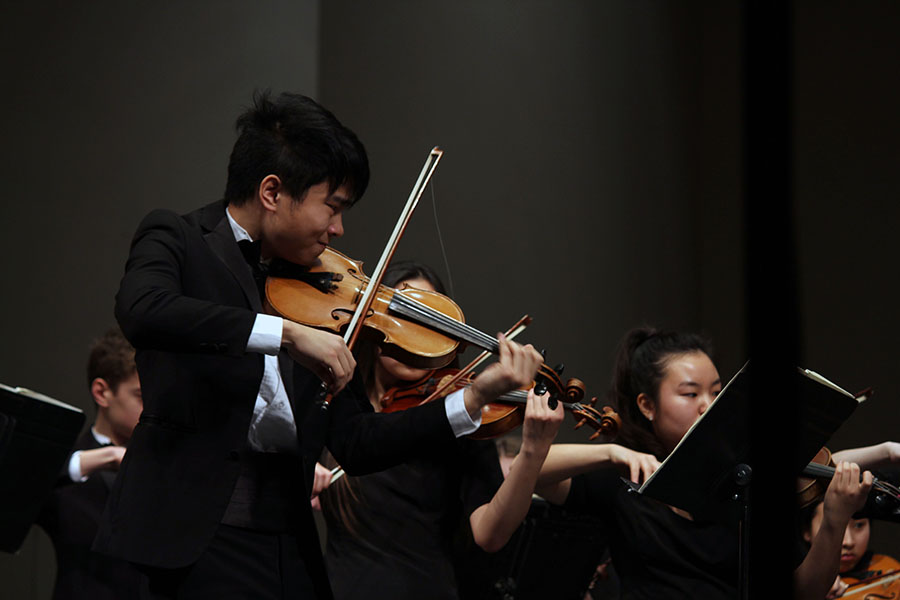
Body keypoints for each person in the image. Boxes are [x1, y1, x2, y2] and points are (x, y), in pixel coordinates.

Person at [93, 91, 541, 600]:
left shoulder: (322, 290)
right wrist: (285, 334)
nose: (339, 229)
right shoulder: (177, 239)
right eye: (333, 207)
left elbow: (358, 442)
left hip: (288, 547)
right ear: (271, 192)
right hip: (192, 541)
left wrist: (473, 401)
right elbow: (143, 309)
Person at [536, 327, 874, 600]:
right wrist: (610, 453)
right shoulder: (624, 481)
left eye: (716, 392)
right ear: (647, 405)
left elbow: (803, 592)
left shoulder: (742, 482)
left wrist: (834, 519)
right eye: (690, 393)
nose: (708, 405)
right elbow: (528, 470)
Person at [318, 261, 564, 599]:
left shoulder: (461, 414)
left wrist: (534, 449)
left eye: (429, 321)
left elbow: (489, 533)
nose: (414, 330)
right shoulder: (335, 400)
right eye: (403, 312)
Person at [35, 328, 144, 599]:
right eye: (141, 396)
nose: (154, 407)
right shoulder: (65, 467)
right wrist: (104, 457)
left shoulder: (173, 463)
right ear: (102, 392)